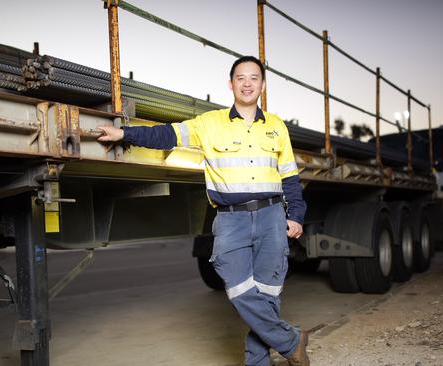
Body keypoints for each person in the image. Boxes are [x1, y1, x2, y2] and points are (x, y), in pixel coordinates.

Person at [97, 56, 309, 366]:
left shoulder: (276, 126)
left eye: (254, 78)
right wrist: (125, 134)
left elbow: (290, 176)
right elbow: (167, 134)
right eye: (241, 78)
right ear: (230, 84)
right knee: (237, 287)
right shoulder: (209, 123)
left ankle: (258, 362)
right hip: (230, 217)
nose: (247, 83)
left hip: (272, 217)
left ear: (262, 85)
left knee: (267, 295)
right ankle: (291, 341)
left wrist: (296, 215)